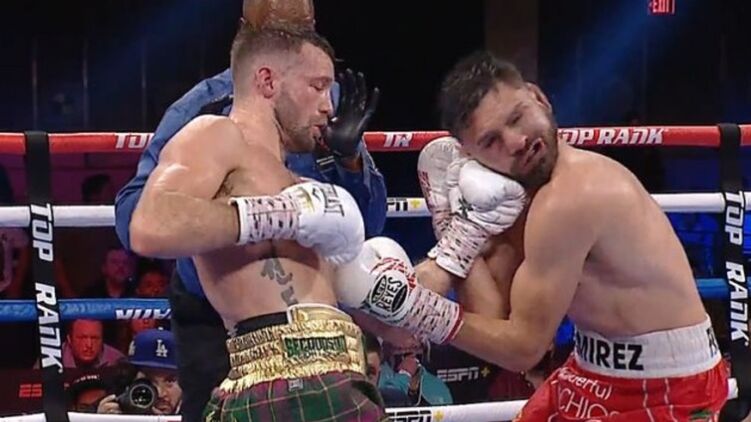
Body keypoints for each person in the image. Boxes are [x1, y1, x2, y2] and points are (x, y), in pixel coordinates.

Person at [335, 51, 728, 420]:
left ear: (539, 99)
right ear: (470, 155)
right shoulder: (518, 194)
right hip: (593, 368)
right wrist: (456, 229)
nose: (516, 141)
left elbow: (523, 350)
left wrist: (418, 309)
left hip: (668, 385)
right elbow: (492, 316)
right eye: (491, 141)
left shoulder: (570, 197)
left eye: (517, 117)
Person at [113, 1, 386, 419]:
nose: (328, 105)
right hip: (253, 355)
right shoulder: (211, 125)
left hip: (340, 368)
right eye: (317, 87)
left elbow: (360, 233)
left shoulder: (304, 164)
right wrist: (277, 215)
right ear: (266, 73)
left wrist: (348, 163)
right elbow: (147, 223)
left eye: (306, 25)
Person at [97, 329, 183, 415]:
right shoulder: (113, 405)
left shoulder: (191, 412)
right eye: (148, 382)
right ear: (129, 383)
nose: (160, 393)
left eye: (170, 381)